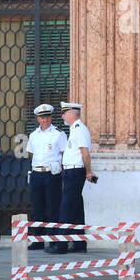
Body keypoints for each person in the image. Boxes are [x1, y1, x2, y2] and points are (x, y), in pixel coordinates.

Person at [55, 102, 97, 255]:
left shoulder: (79, 130)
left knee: (66, 208)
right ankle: (79, 244)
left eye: (65, 113)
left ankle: (61, 244)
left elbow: (85, 153)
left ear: (72, 113)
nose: (63, 116)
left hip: (75, 172)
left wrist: (89, 172)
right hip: (71, 172)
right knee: (77, 209)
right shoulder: (74, 129)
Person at [25, 103, 66, 251]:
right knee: (37, 208)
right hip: (37, 172)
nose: (45, 120)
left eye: (47, 117)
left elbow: (64, 153)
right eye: (42, 117)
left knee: (52, 207)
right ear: (37, 119)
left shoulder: (59, 134)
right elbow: (30, 153)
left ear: (51, 117)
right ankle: (38, 240)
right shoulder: (33, 135)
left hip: (51, 173)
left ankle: (53, 239)